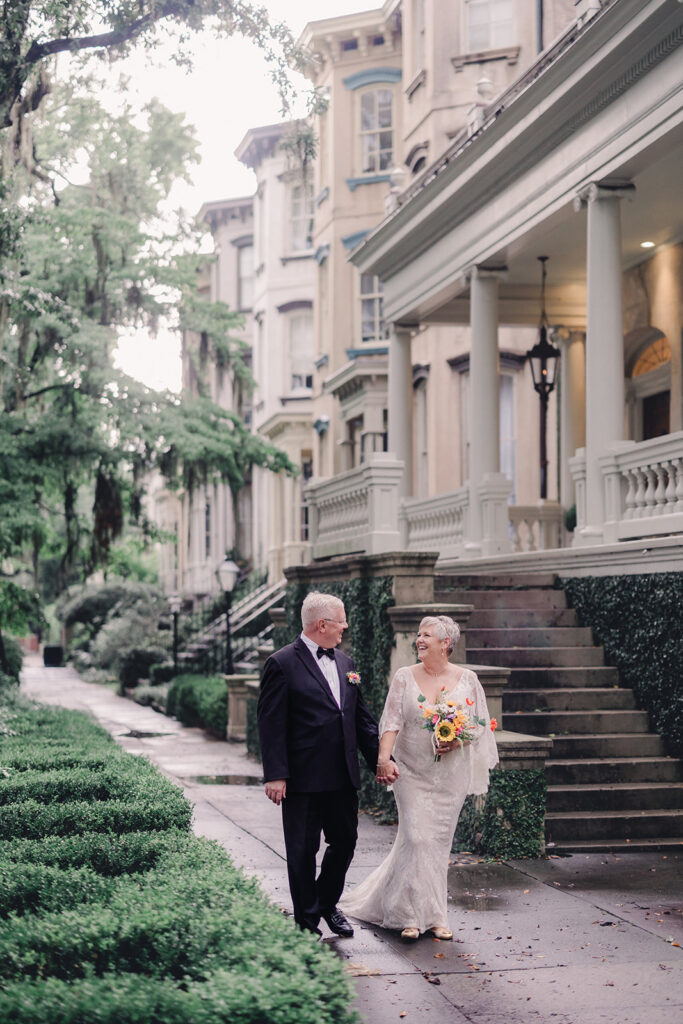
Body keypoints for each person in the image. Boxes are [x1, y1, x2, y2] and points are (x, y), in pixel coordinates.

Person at [339, 614, 498, 942]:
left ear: (446, 644)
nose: (419, 640)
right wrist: (384, 758)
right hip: (410, 772)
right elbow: (391, 721)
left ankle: (436, 916)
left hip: (449, 776)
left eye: (427, 636)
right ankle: (408, 916)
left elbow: (480, 725)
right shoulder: (404, 677)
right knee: (415, 837)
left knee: (437, 844)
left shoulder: (467, 679)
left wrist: (457, 739)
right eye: (419, 635)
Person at [257, 591, 398, 938]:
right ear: (322, 625)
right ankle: (307, 923)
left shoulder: (346, 664)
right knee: (303, 852)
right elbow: (270, 723)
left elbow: (359, 719)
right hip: (302, 779)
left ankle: (325, 903)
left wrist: (381, 759)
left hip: (342, 776)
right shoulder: (281, 663)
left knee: (346, 842)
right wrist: (275, 774)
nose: (346, 626)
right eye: (341, 620)